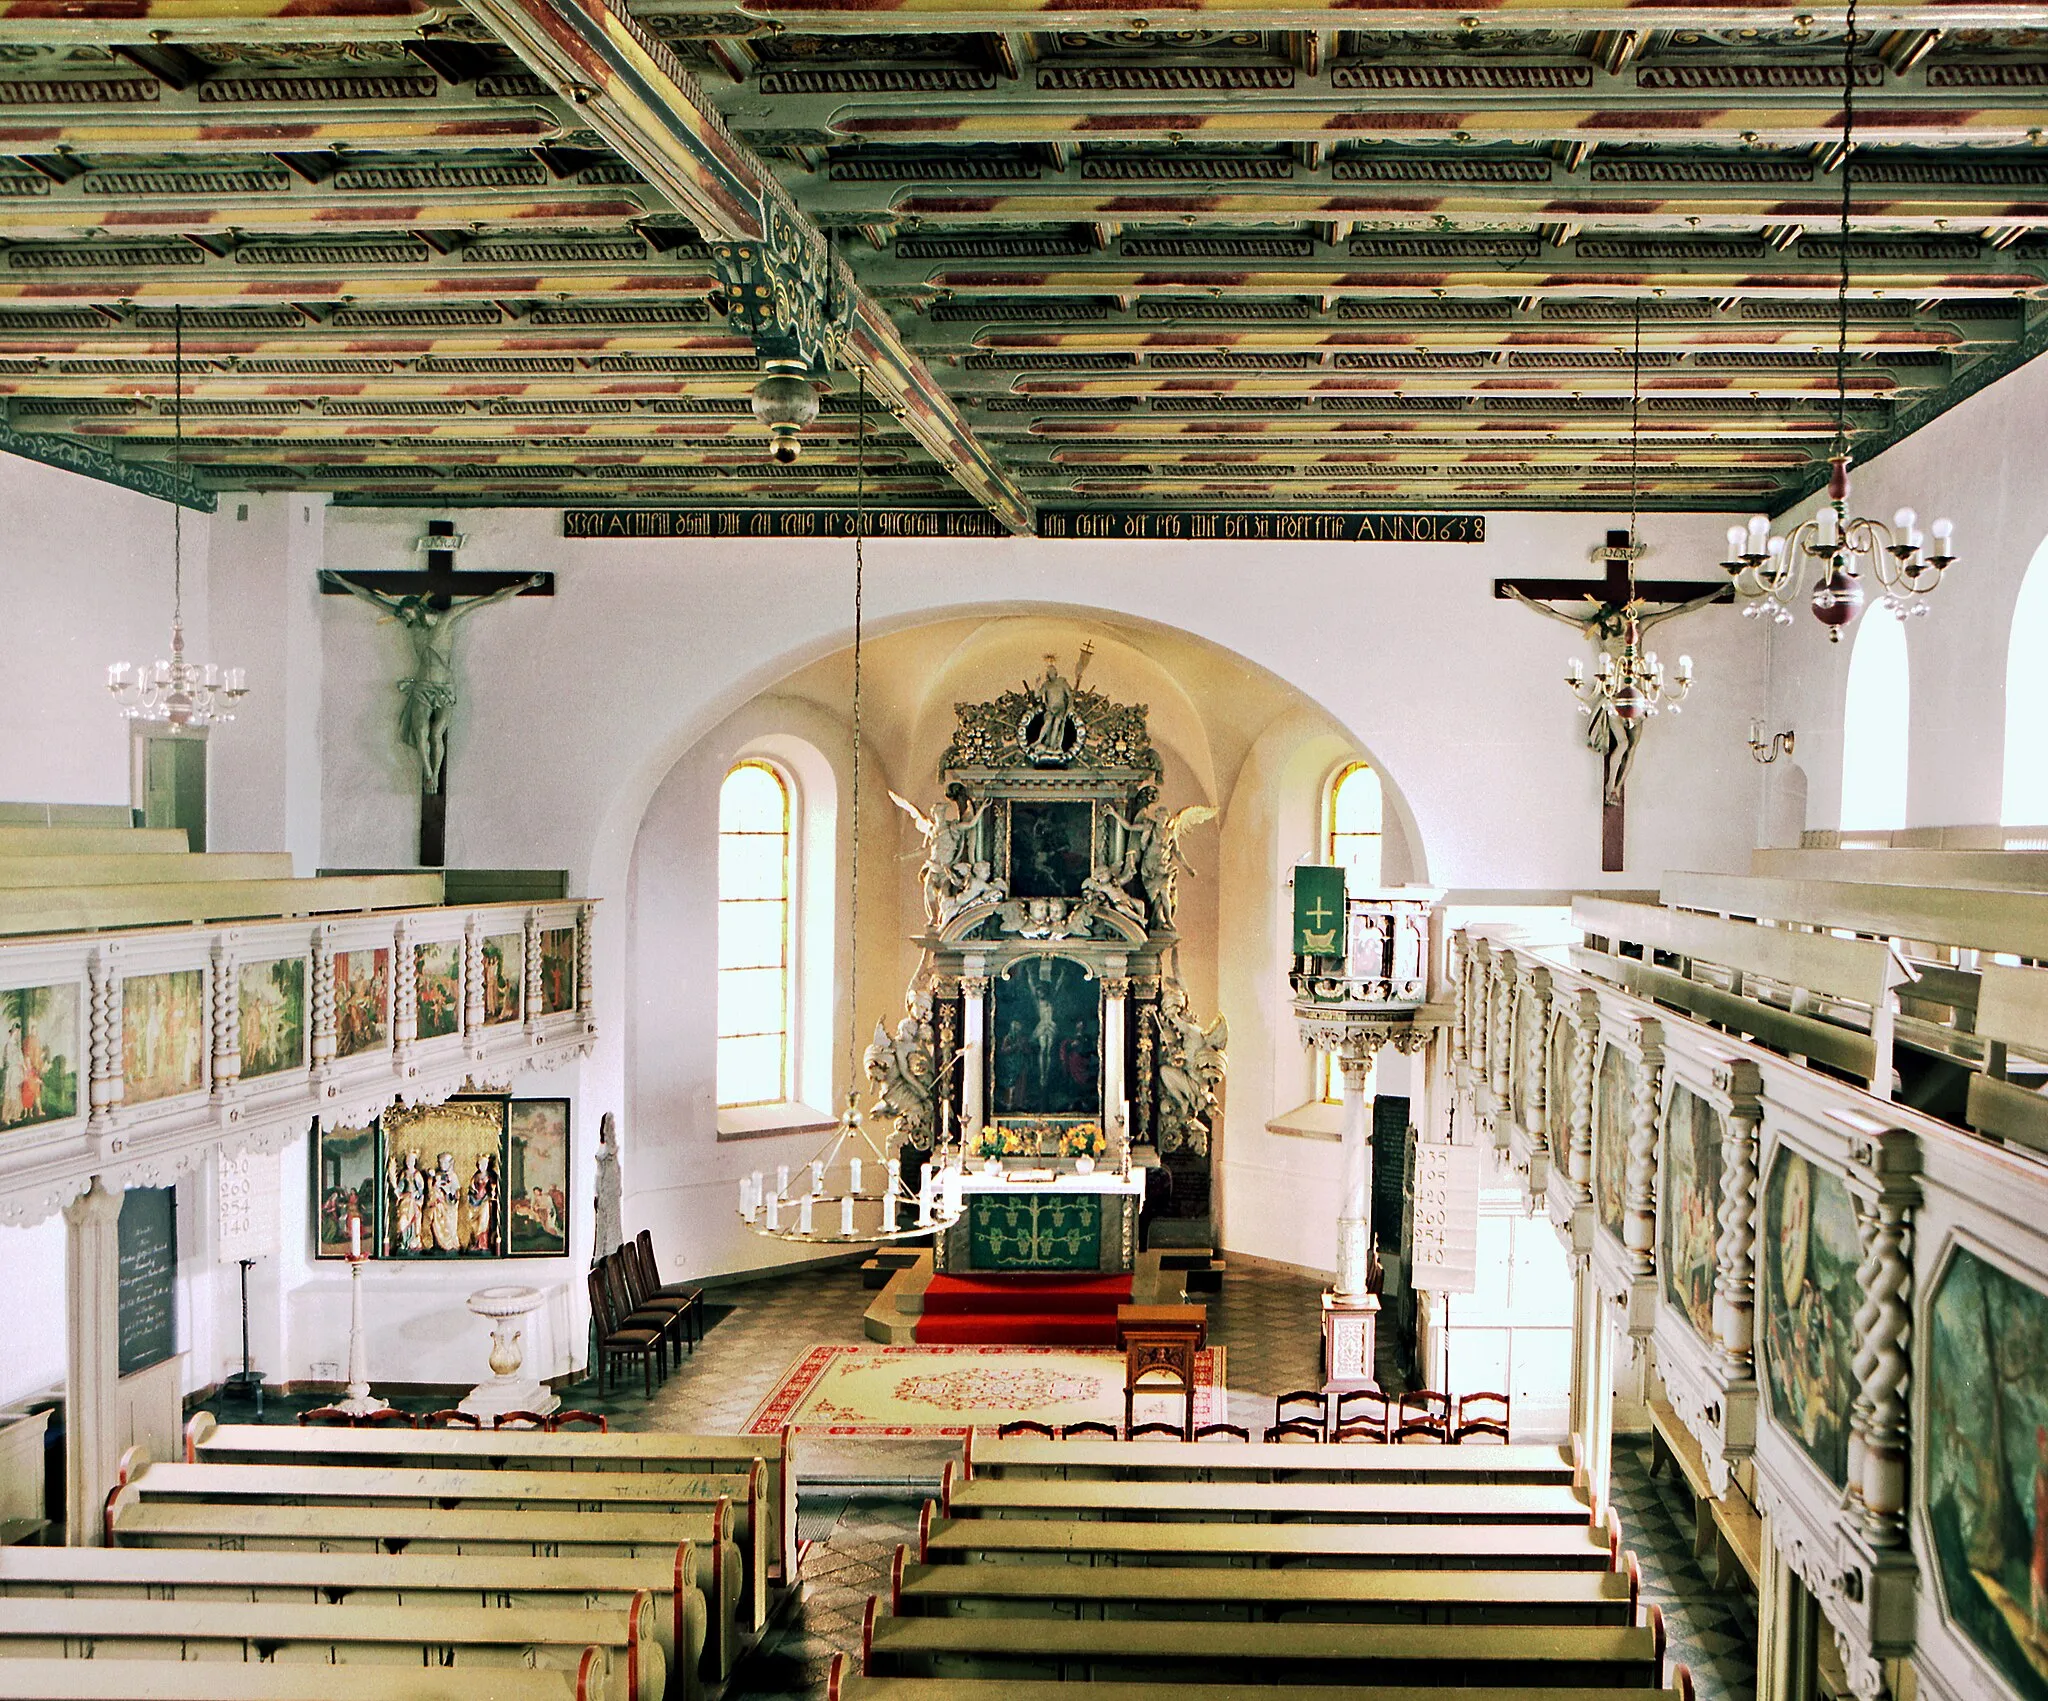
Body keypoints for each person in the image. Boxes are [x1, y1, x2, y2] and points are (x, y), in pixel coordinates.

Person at [320, 570, 544, 794]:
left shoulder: (446, 619)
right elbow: (371, 598)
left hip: (444, 687)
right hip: (422, 686)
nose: (405, 620)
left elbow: (490, 599)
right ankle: (428, 774)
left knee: (436, 733)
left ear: (418, 609)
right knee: (419, 731)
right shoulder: (412, 625)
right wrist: (341, 581)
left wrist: (526, 584)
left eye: (407, 615)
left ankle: (435, 775)